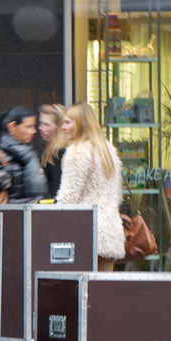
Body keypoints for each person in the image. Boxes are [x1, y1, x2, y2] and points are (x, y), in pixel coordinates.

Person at [56, 102, 125, 270]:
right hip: (110, 233)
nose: (63, 127)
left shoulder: (77, 152)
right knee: (102, 292)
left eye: (68, 122)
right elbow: (117, 196)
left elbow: (67, 200)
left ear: (80, 124)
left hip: (85, 234)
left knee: (81, 292)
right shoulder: (108, 150)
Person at [39, 103, 68, 198]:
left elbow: (56, 188)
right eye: (40, 123)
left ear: (59, 127)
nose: (41, 128)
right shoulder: (50, 149)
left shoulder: (59, 152)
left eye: (46, 124)